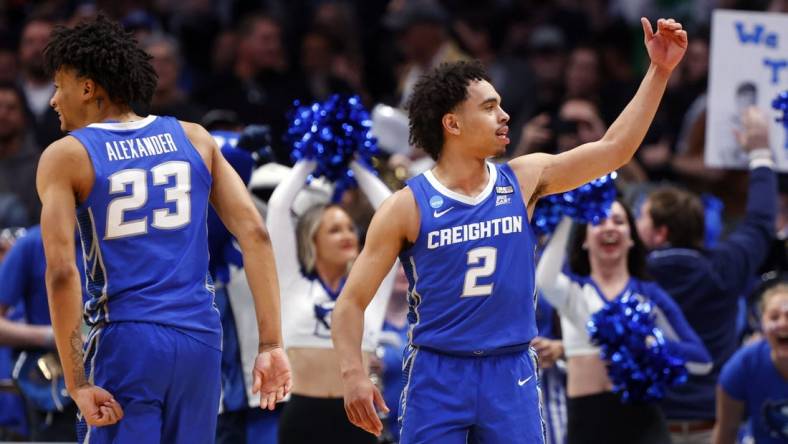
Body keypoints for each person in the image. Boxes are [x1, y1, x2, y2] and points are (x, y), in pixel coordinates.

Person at [331, 17, 688, 443]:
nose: (504, 115)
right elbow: (350, 303)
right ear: (453, 124)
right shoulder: (406, 206)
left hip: (511, 368)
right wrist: (353, 374)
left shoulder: (523, 178)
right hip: (438, 371)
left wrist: (659, 71)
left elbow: (614, 150)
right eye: (488, 107)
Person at [36, 16, 291, 443]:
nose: (53, 100)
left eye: (59, 86)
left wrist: (77, 383)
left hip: (126, 339)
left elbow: (62, 273)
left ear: (87, 87)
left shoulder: (66, 155)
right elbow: (256, 235)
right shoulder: (195, 138)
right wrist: (271, 345)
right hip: (200, 338)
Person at [636, 107, 777, 444]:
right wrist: (760, 152)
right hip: (715, 427)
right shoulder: (724, 267)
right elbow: (760, 221)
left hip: (653, 427)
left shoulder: (632, 273)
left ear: (660, 233)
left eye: (640, 217)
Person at [536, 203, 711, 444]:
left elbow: (702, 361)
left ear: (631, 238)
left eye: (619, 221)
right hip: (586, 421)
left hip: (643, 422)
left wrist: (652, 343)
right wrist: (571, 213)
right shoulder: (575, 292)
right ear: (584, 240)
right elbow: (544, 279)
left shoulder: (649, 295)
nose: (609, 228)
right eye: (598, 221)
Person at [267, 158, 396, 444]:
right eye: (335, 230)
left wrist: (357, 162)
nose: (348, 236)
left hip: (358, 420)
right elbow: (278, 208)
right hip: (302, 418)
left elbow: (390, 210)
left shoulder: (369, 289)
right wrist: (311, 158)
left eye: (350, 228)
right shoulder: (292, 283)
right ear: (312, 239)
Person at [713, 282, 788, 444]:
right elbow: (726, 431)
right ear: (762, 324)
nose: (783, 324)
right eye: (774, 317)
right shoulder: (744, 364)